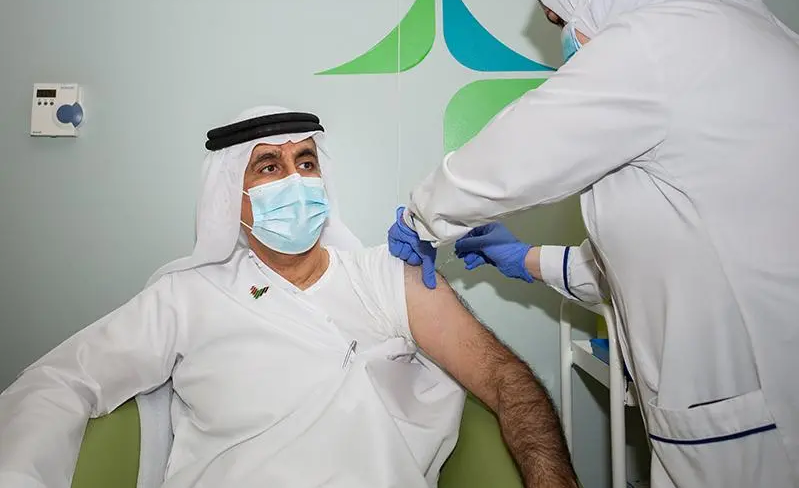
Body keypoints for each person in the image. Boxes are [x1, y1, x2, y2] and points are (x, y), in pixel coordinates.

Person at [0, 106, 578, 488]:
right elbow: (63, 380)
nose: (295, 180)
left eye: (305, 162)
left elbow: (503, 378)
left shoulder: (385, 275)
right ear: (231, 196)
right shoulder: (185, 297)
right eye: (269, 167)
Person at [387, 0, 799, 487]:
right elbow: (669, 253)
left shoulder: (658, 42)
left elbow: (518, 152)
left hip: (753, 408)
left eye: (559, 19)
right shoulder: (750, 31)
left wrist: (422, 214)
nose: (562, 39)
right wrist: (526, 259)